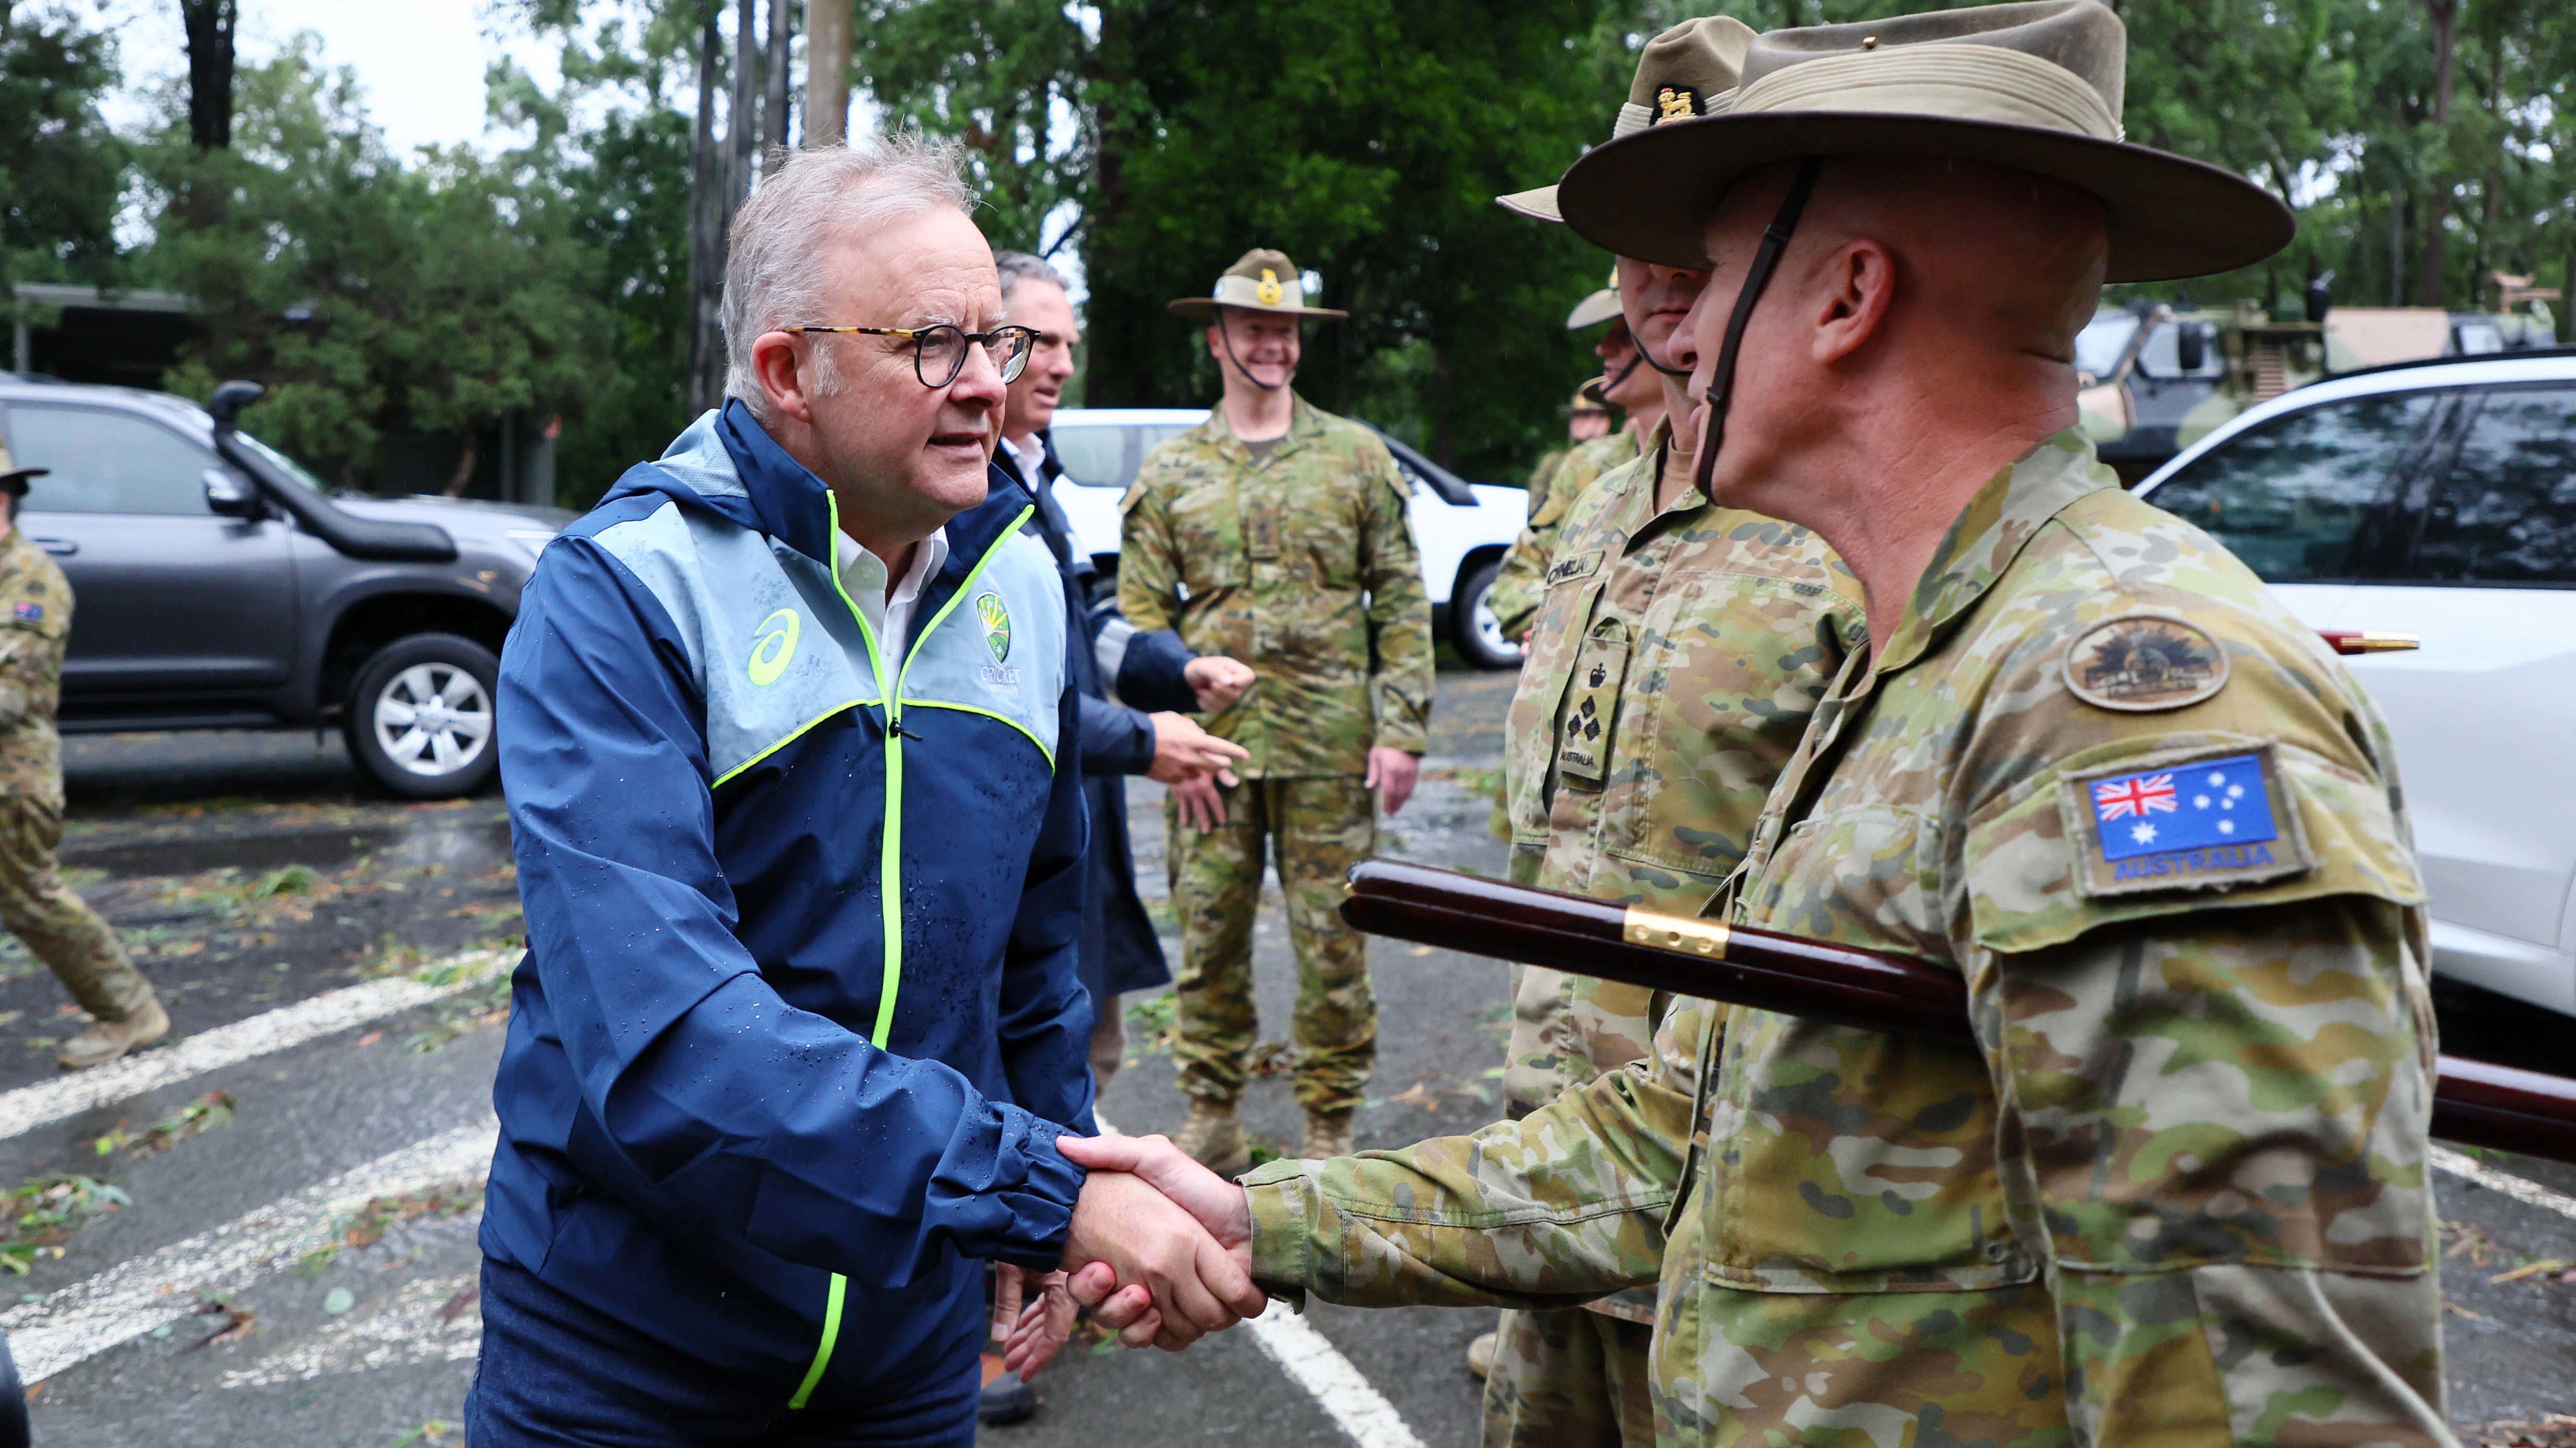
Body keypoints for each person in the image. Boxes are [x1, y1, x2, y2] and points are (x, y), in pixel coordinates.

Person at [1063, 5, 2455, 1442]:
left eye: (1712, 274)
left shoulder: (2119, 705)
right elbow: (1681, 1136)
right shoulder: (1932, 654)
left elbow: (2257, 1404)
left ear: (1845, 297)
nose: (1669, 328)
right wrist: (1256, 1213)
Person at [470, 139, 1260, 1446]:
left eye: (997, 345)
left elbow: (1029, 956)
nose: (988, 391)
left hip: (907, 1353)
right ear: (789, 371)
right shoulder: (622, 593)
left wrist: (1060, 1189)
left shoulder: (1020, 583)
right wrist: (1034, 1198)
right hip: (626, 1355)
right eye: (934, 348)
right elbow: (672, 1041)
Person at [1461, 18, 1865, 1447]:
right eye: (1624, 236)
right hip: (1549, 1151)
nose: (1645, 280)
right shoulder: (1595, 491)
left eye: (1687, 235)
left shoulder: (1845, 519)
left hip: (1739, 1203)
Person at [976, 250, 1254, 1427]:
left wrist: (1171, 667)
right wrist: (1147, 742)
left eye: (1066, 342)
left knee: (1074, 1046)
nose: (1060, 362)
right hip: (999, 832)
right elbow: (1004, 687)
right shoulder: (961, 475)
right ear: (982, 344)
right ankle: (985, 1333)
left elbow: (1081, 630)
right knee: (986, 1067)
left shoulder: (1035, 470)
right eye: (1038, 340)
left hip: (1065, 835)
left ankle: (1047, 1273)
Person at [1118, 247, 1435, 1169]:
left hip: (1331, 746)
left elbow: (1402, 599)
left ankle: (1329, 1121)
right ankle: (1212, 1110)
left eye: (1287, 329)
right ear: (1216, 338)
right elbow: (1138, 620)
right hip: (1211, 753)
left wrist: (1402, 727)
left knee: (1334, 945)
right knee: (1208, 935)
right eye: (1255, 328)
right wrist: (1165, 733)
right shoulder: (1173, 470)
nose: (1273, 344)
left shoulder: (1354, 457)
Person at [0, 442, 167, 1070]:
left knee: (31, 901)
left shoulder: (30, 581)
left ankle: (129, 1010)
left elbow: (10, 697)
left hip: (11, 782)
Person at [1483, 282, 1657, 642]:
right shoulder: (1585, 465)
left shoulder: (1733, 472)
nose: (1602, 347)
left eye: (1626, 332)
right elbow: (1520, 570)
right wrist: (1549, 628)